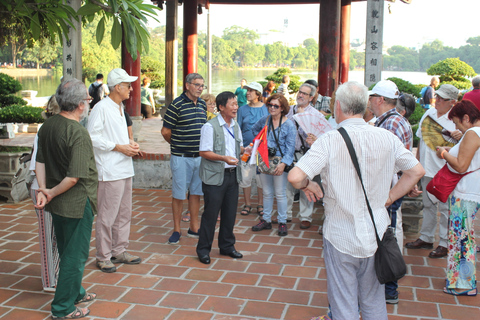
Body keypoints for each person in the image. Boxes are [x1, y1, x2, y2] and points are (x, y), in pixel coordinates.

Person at [288, 81, 425, 320]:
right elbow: (416, 171)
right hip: (376, 231)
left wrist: (309, 184)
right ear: (365, 107)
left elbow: (295, 176)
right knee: (373, 302)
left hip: (340, 234)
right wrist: (390, 197)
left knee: (344, 304)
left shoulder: (329, 140)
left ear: (338, 106)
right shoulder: (386, 138)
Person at [35, 79, 99, 319]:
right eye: (88, 99)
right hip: (75, 202)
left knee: (66, 248)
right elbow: (73, 178)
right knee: (76, 254)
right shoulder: (78, 133)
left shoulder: (48, 125)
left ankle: (76, 291)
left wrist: (44, 190)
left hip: (57, 201)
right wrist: (48, 192)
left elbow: (39, 161)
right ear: (81, 104)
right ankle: (63, 307)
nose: (88, 103)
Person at [88, 68, 142, 273]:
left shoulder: (120, 108)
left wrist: (130, 144)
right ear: (117, 87)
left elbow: (118, 136)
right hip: (109, 170)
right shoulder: (101, 108)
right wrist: (119, 147)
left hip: (124, 168)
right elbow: (91, 137)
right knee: (107, 215)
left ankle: (119, 250)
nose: (131, 88)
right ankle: (103, 256)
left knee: (124, 213)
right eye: (128, 85)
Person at [368, 80, 414, 304]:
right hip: (391, 186)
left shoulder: (390, 124)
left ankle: (389, 288)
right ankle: (388, 286)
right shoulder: (393, 120)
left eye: (371, 97)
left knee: (387, 236)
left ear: (379, 100)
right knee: (388, 233)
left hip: (387, 188)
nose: (368, 101)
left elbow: (384, 161)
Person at [406, 84, 462, 258]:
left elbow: (467, 145)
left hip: (446, 170)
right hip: (427, 167)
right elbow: (421, 142)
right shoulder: (428, 114)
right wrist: (418, 164)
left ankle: (445, 243)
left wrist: (460, 135)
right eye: (436, 97)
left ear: (452, 102)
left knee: (445, 208)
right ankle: (426, 237)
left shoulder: (457, 120)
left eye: (442, 99)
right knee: (428, 204)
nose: (437, 101)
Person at [435, 100, 480, 296]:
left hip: (465, 194)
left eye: (456, 122)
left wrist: (444, 153)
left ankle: (464, 284)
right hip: (470, 193)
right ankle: (463, 281)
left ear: (467, 118)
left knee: (462, 239)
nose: (456, 127)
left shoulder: (472, 133)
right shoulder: (473, 133)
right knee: (464, 238)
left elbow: (461, 165)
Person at [196, 91, 244, 265]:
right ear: (221, 107)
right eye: (232, 104)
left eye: (236, 104)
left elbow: (239, 148)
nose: (236, 107)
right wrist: (224, 158)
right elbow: (204, 152)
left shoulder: (235, 125)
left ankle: (227, 246)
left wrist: (247, 150)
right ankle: (203, 250)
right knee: (210, 214)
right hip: (215, 177)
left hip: (233, 175)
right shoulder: (210, 126)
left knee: (230, 214)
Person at [161, 73, 207, 244]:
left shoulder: (202, 104)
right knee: (179, 194)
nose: (200, 88)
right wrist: (177, 145)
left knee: (196, 193)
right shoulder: (176, 105)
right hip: (181, 157)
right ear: (187, 85)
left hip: (199, 157)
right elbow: (165, 131)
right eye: (197, 85)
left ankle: (194, 228)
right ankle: (176, 230)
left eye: (202, 85)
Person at [286, 83, 330, 229]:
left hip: (306, 154)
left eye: (305, 94)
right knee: (288, 186)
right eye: (300, 92)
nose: (300, 95)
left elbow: (322, 139)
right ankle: (285, 214)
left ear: (311, 97)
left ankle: (306, 217)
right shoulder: (289, 111)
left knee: (306, 185)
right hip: (290, 153)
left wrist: (314, 142)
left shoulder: (316, 115)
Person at [251, 94, 296, 236]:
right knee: (267, 192)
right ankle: (266, 219)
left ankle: (282, 221)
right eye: (270, 105)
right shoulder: (265, 120)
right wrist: (261, 144)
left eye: (276, 106)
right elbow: (254, 130)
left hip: (279, 162)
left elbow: (291, 148)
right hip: (265, 159)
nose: (272, 108)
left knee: (280, 193)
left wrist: (284, 164)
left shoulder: (289, 125)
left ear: (282, 108)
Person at [30, 96, 61, 293]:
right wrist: (45, 189)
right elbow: (36, 165)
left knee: (57, 237)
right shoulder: (45, 130)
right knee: (47, 237)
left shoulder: (60, 129)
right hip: (43, 189)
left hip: (55, 190)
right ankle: (49, 280)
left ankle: (56, 274)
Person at [237, 82, 268, 216]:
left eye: (251, 90)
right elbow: (237, 128)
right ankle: (247, 203)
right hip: (246, 149)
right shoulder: (242, 109)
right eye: (247, 90)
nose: (247, 93)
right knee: (245, 177)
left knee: (261, 178)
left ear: (258, 94)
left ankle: (260, 203)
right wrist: (240, 147)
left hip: (262, 149)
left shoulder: (266, 108)